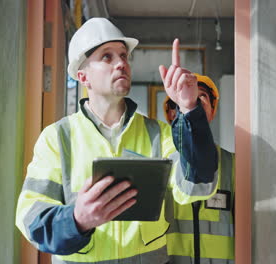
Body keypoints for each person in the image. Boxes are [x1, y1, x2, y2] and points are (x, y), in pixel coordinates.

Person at [15, 17, 219, 263]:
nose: (121, 63)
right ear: (83, 77)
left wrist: (189, 110)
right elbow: (30, 219)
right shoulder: (57, 139)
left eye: (124, 55)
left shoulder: (159, 134)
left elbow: (197, 187)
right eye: (107, 57)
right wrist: (77, 220)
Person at [164, 73, 235, 264]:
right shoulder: (160, 164)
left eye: (201, 96)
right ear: (172, 113)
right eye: (186, 97)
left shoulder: (234, 165)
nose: (193, 101)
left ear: (212, 111)